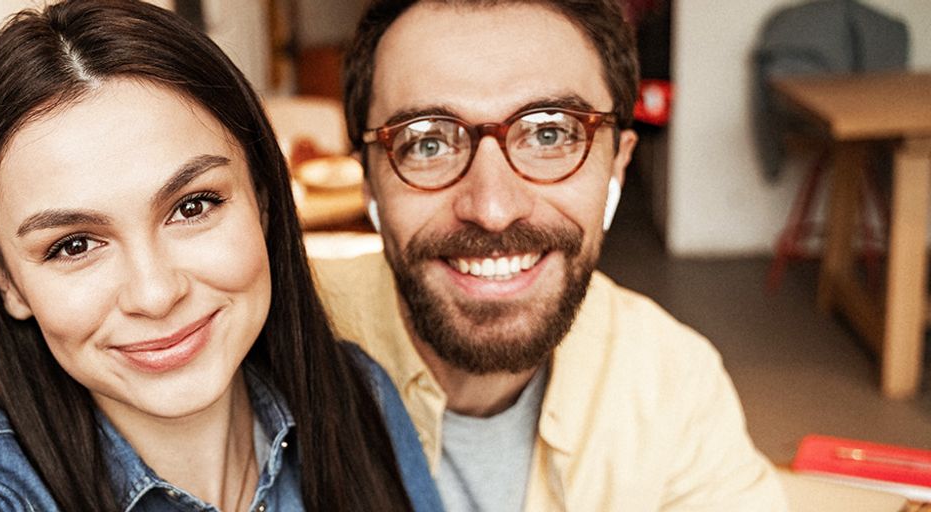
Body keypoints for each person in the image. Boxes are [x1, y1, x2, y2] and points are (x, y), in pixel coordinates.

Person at [0, 1, 443, 511]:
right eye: (74, 245)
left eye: (193, 206)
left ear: (263, 199)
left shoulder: (359, 398)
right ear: (6, 281)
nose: (155, 292)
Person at [323, 0, 787, 509]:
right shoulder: (281, 342)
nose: (493, 210)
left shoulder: (675, 386)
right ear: (368, 181)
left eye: (550, 133)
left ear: (617, 165)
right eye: (427, 142)